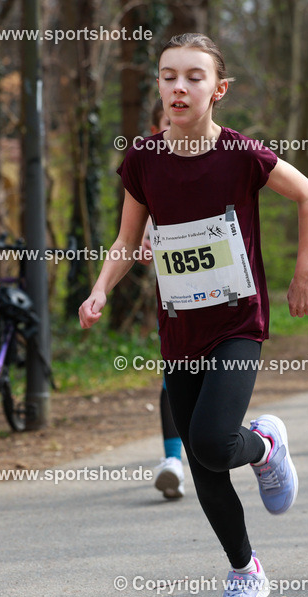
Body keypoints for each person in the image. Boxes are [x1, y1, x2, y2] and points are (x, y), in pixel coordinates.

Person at [80, 33, 308, 597]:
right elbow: (126, 240)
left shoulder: (241, 154)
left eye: (193, 77)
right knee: (205, 462)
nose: (179, 88)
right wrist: (100, 287)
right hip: (180, 327)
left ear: (219, 90)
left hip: (238, 321)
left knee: (214, 443)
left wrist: (304, 273)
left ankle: (265, 445)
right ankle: (246, 572)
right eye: (168, 76)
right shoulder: (143, 159)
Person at [138, 99, 186, 500]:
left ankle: (216, 442)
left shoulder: (215, 159)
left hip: (220, 301)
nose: (173, 128)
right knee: (174, 374)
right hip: (172, 296)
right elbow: (138, 221)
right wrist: (142, 240)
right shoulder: (148, 170)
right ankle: (173, 460)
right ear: (155, 131)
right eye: (165, 123)